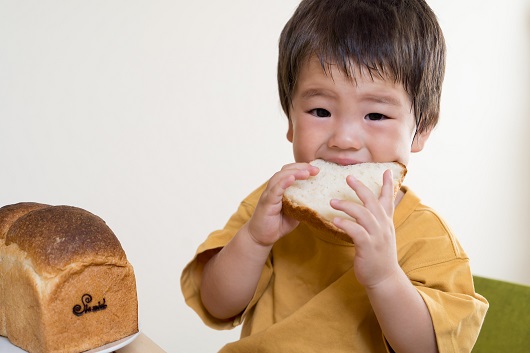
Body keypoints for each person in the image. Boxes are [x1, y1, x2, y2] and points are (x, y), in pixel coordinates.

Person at [181, 0, 488, 352]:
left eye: (375, 115)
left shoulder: (428, 239)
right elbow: (218, 305)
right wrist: (253, 240)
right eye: (321, 111)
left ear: (421, 131)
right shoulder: (273, 204)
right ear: (291, 122)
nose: (343, 139)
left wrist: (385, 277)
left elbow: (430, 348)